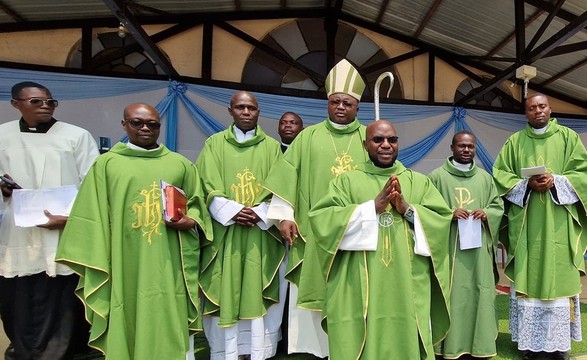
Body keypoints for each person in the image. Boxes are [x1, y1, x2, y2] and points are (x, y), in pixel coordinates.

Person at [55, 103, 213, 360]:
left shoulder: (180, 164)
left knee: (170, 311)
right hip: (123, 259)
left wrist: (191, 221)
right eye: (137, 123)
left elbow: (197, 204)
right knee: (126, 310)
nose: (145, 128)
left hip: (169, 259)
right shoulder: (106, 165)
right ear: (124, 124)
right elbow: (90, 213)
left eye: (152, 124)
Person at [308, 119, 452, 359]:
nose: (386, 145)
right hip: (360, 281)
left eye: (392, 140)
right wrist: (371, 208)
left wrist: (407, 209)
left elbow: (441, 221)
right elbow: (323, 219)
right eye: (378, 140)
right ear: (365, 145)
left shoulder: (418, 182)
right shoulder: (346, 182)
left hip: (408, 281)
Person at [263, 58, 369, 357]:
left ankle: (353, 344)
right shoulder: (307, 137)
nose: (340, 107)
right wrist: (283, 215)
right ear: (327, 103)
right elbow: (287, 176)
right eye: (335, 101)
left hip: (358, 229)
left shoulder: (369, 139)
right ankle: (313, 348)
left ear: (356, 107)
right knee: (313, 289)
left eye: (347, 103)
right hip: (314, 230)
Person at [0, 81, 99, 360]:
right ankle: (22, 349)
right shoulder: (2, 135)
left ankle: (68, 351)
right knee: (17, 297)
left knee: (63, 295)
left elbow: (92, 183)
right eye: (36, 101)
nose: (45, 106)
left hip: (65, 227)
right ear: (15, 104)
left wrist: (71, 218)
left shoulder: (76, 136)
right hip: (17, 230)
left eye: (50, 102)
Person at [493, 93, 587, 360]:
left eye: (542, 106)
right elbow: (500, 176)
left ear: (550, 108)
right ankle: (529, 344)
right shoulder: (515, 142)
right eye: (532, 108)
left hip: (560, 225)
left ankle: (559, 346)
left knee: (560, 284)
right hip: (527, 228)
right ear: (526, 113)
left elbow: (584, 174)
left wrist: (556, 181)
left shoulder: (568, 138)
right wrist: (526, 185)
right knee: (528, 281)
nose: (537, 111)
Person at [195, 91, 285, 360]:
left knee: (257, 289)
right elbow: (205, 183)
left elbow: (282, 187)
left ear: (258, 112)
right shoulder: (214, 144)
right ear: (230, 111)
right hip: (226, 235)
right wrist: (233, 211)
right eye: (241, 108)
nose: (246, 112)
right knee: (226, 288)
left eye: (252, 108)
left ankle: (257, 351)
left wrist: (261, 212)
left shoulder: (272, 148)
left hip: (261, 236)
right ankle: (227, 352)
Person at [428, 130, 504, 359]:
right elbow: (426, 210)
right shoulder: (436, 177)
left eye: (470, 146)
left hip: (479, 250)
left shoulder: (485, 178)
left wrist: (487, 213)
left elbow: (497, 206)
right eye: (461, 145)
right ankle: (447, 345)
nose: (466, 150)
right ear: (452, 147)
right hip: (450, 250)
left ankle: (479, 345)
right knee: (452, 295)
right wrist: (449, 214)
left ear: (475, 148)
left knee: (479, 293)